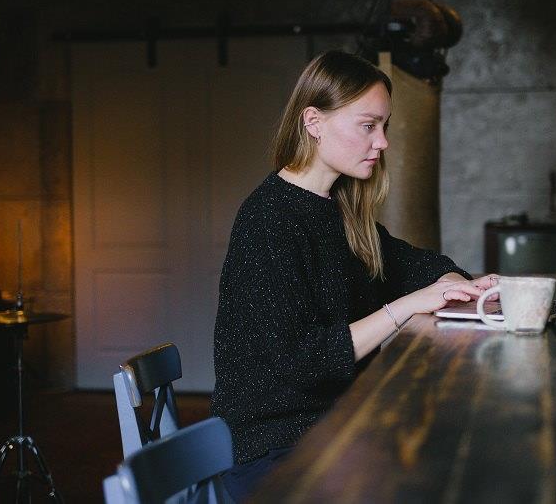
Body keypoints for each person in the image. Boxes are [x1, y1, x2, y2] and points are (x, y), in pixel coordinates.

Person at [211, 50, 497, 501]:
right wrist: (404, 308)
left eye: (383, 126)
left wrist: (461, 287)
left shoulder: (339, 211)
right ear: (313, 121)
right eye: (368, 125)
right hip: (279, 449)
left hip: (340, 424)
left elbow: (411, 263)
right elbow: (299, 364)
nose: (382, 142)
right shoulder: (269, 220)